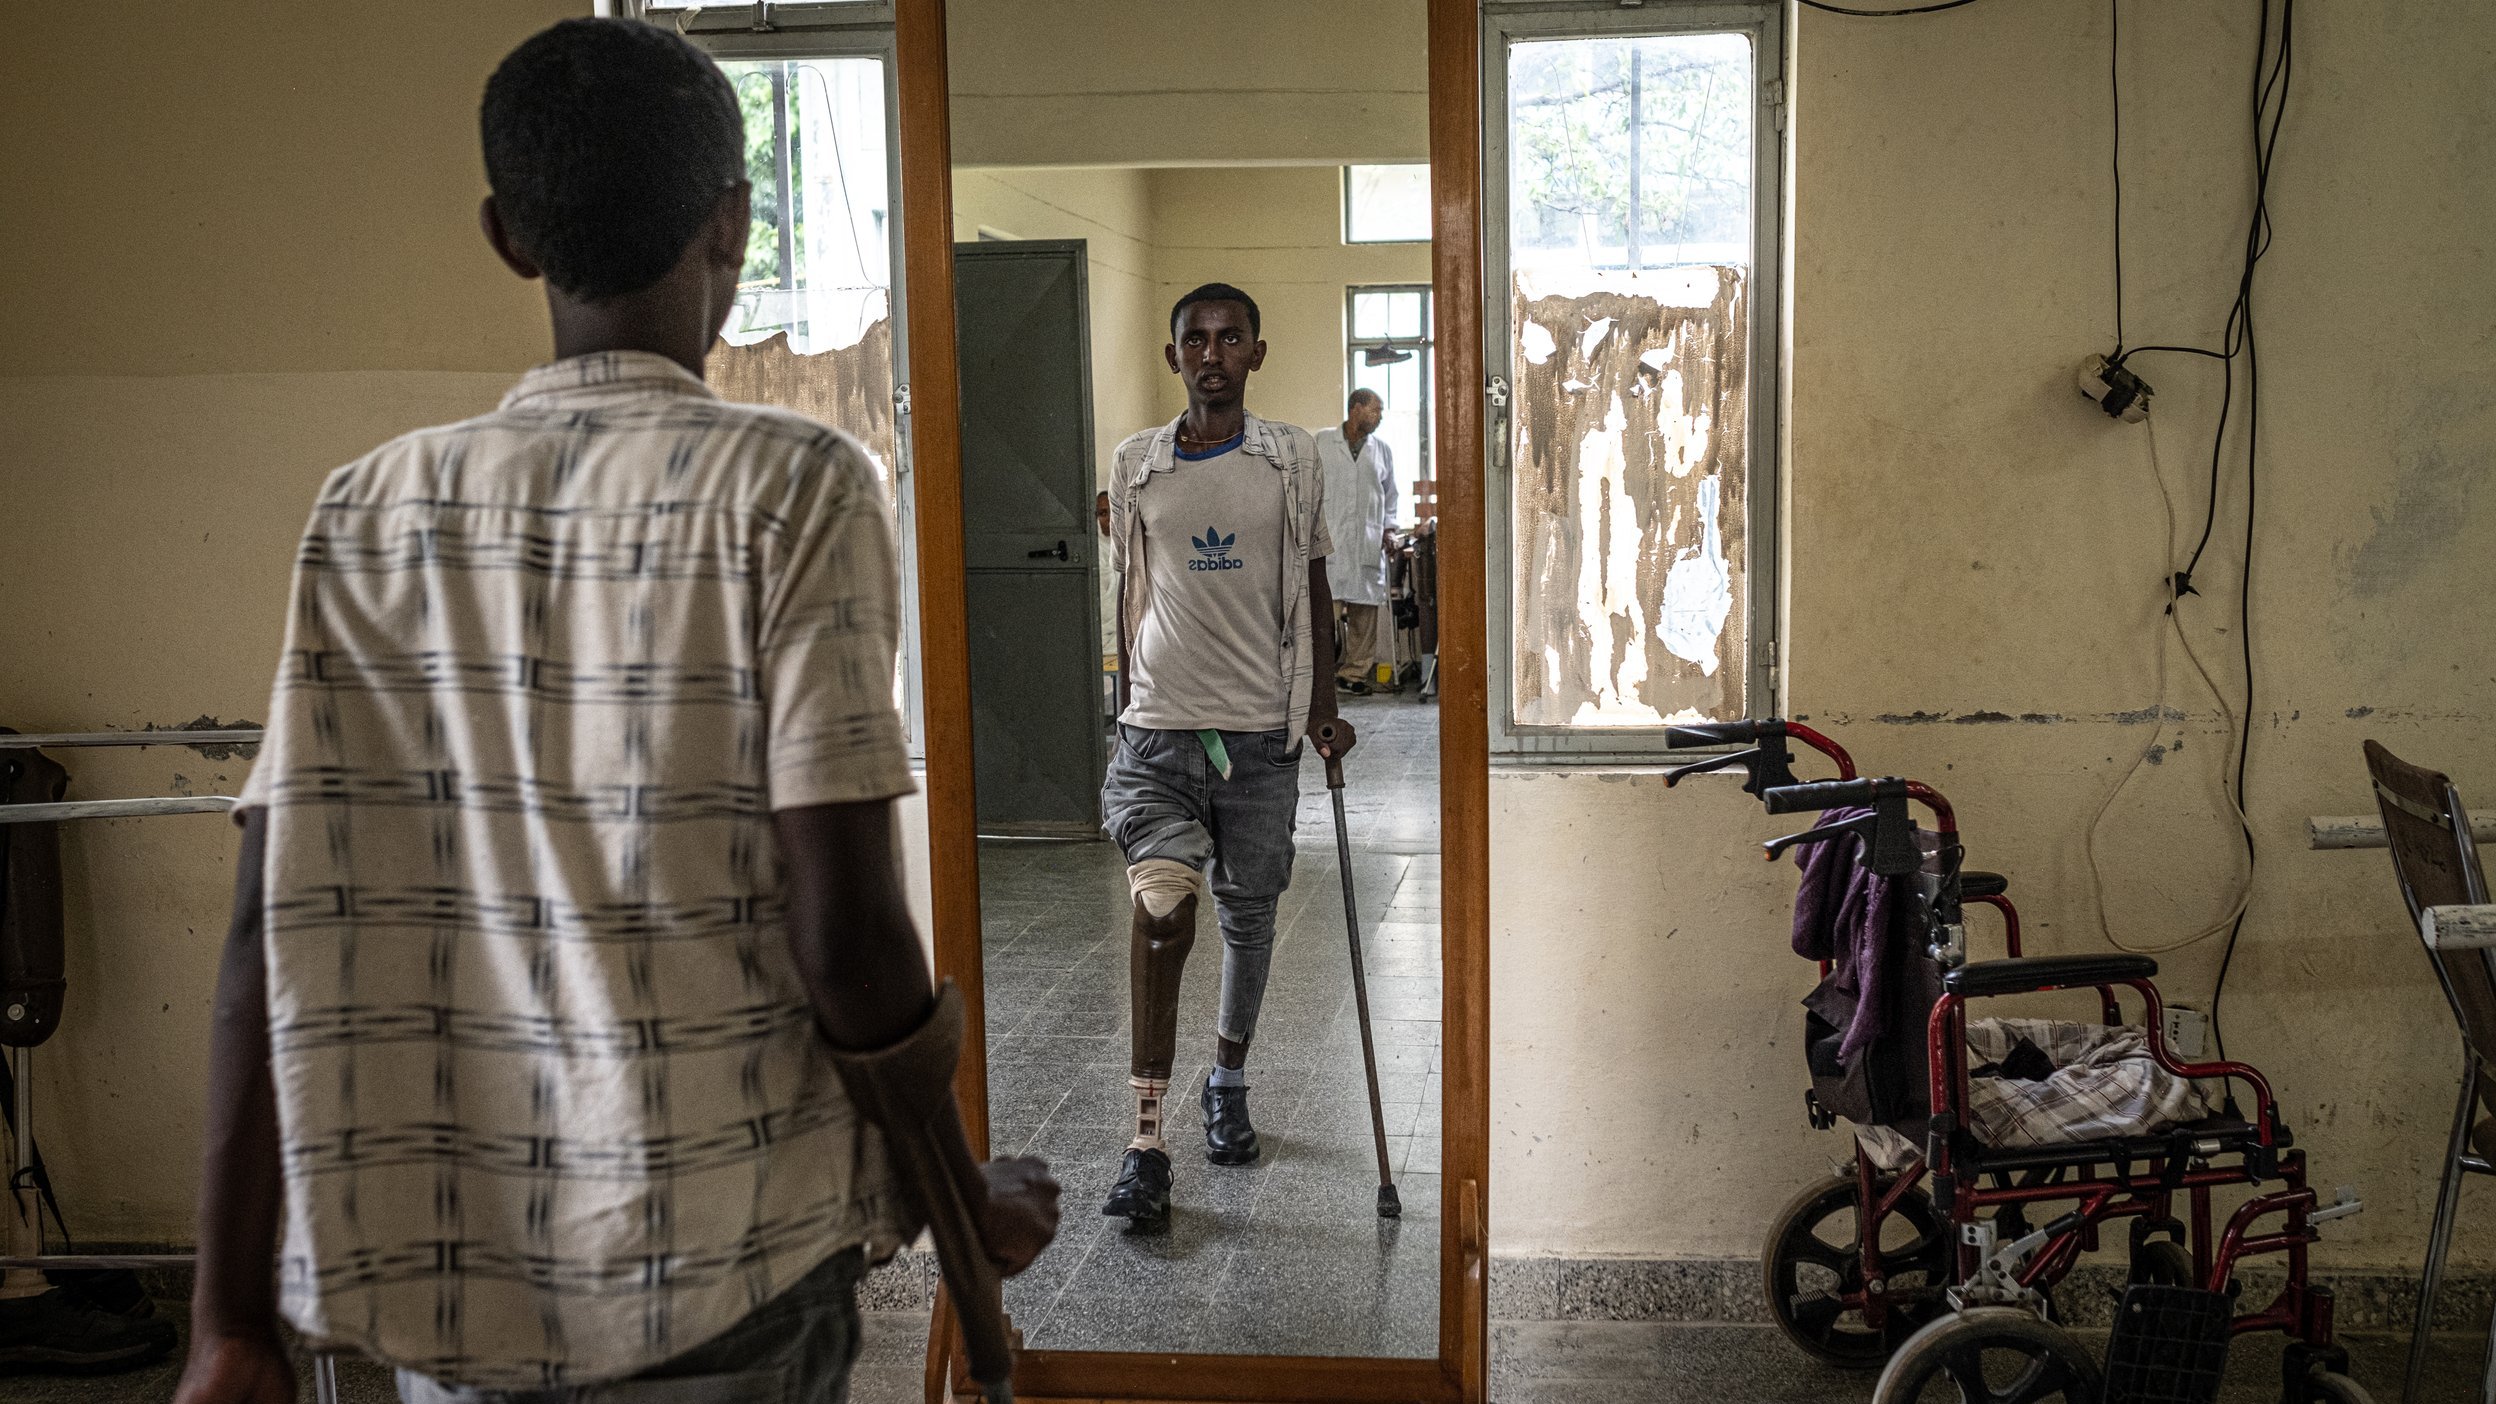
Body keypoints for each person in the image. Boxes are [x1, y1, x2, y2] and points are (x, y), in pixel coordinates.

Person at [171, 20, 1057, 1404]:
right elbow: (852, 945)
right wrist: (962, 1201)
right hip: (726, 1266)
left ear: (508, 235)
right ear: (733, 225)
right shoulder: (797, 486)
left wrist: (227, 1321)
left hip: (462, 1283)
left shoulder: (371, 508)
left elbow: (262, 931)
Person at [1096, 283, 1356, 1227]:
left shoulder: (1291, 462)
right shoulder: (1137, 467)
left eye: (1229, 338)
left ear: (1255, 352)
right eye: (1194, 340)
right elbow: (1131, 588)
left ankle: (1228, 1079)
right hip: (1161, 733)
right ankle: (1145, 1140)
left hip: (1260, 735)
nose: (1212, 354)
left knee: (1250, 917)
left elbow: (1316, 582)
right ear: (1173, 359)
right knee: (1163, 913)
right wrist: (1125, 704)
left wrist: (1324, 706)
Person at [1315, 390, 1399, 694]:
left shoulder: (1382, 450)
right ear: (1356, 409)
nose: (1379, 417)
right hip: (1330, 541)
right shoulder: (1322, 442)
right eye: (1375, 411)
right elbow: (1308, 489)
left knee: (1365, 617)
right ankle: (1320, 677)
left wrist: (1389, 528)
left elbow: (1390, 496)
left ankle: (1353, 675)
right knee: (1323, 616)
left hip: (1367, 541)